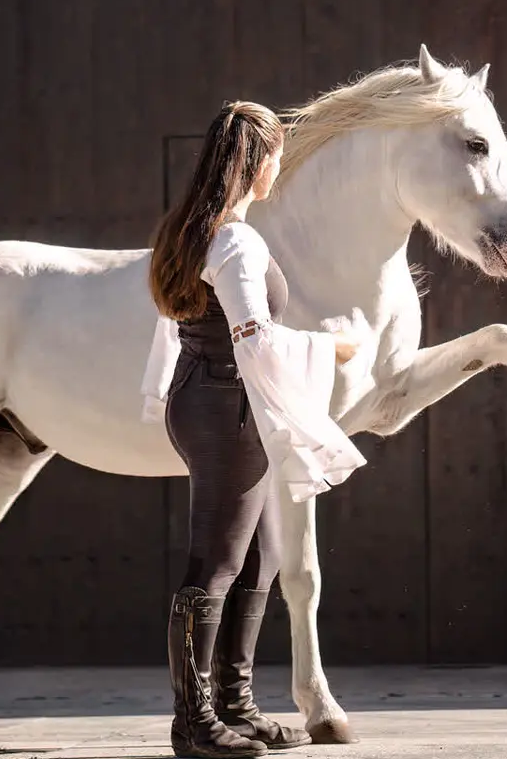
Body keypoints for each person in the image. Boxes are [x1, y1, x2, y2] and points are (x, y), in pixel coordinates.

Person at [144, 101, 369, 759]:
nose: (278, 167)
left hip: (208, 396)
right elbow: (254, 341)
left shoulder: (193, 229)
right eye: (273, 155)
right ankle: (195, 725)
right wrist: (331, 350)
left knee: (261, 558)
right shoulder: (236, 241)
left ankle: (234, 706)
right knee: (214, 565)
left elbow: (192, 327)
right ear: (253, 161)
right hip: (225, 405)